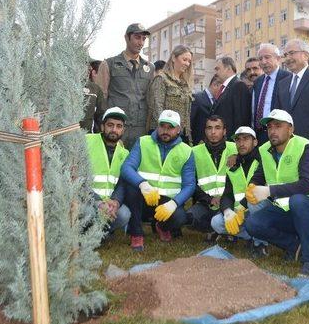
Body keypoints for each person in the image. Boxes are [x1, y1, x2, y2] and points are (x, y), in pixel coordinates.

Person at [244, 109, 309, 277]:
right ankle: (294, 245)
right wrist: (252, 186)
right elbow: (260, 174)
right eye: (269, 127)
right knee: (253, 224)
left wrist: (269, 191)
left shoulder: (305, 147)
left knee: (298, 201)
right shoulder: (265, 149)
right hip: (284, 207)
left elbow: (306, 186)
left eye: (278, 126)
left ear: (291, 129)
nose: (272, 131)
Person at [121, 110, 195, 251]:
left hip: (167, 201)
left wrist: (174, 203)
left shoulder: (186, 151)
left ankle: (161, 226)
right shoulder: (143, 142)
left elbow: (190, 185)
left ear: (178, 130)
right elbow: (127, 167)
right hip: (144, 197)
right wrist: (143, 184)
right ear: (157, 126)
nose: (165, 131)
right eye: (162, 126)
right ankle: (136, 233)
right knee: (130, 186)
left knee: (180, 217)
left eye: (170, 127)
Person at [94, 23, 154, 148]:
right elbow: (100, 98)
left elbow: (150, 100)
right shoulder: (109, 64)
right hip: (115, 128)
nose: (141, 43)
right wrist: (103, 127)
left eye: (144, 39)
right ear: (127, 38)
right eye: (137, 37)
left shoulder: (149, 67)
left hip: (140, 128)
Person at [211, 126, 269, 257]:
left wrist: (242, 207)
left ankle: (260, 244)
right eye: (238, 140)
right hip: (242, 213)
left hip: (262, 209)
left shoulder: (263, 160)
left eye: (246, 139)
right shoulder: (233, 166)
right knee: (216, 223)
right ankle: (251, 236)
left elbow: (256, 190)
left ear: (255, 142)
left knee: (255, 203)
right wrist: (227, 212)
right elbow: (227, 195)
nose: (241, 143)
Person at [186, 115, 237, 236]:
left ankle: (222, 229)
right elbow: (191, 182)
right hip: (207, 202)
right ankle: (214, 230)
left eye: (217, 128)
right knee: (189, 218)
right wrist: (209, 199)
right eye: (209, 128)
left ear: (224, 131)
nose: (213, 132)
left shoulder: (235, 149)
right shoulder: (194, 152)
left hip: (231, 201)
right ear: (205, 131)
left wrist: (239, 157)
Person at [85, 107, 131, 236]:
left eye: (118, 126)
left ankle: (99, 235)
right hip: (87, 200)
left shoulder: (125, 153)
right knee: (87, 212)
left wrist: (116, 202)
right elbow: (78, 178)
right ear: (102, 126)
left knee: (124, 214)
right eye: (110, 125)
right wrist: (98, 202)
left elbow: (122, 183)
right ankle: (87, 235)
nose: (114, 130)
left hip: (110, 203)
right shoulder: (87, 141)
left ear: (123, 130)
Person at [147, 45, 193, 142]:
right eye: (184, 59)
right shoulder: (161, 79)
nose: (187, 64)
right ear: (173, 58)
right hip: (163, 134)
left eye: (189, 61)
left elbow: (186, 114)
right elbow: (157, 108)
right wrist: (167, 130)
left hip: (181, 135)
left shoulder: (185, 84)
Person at [251, 44, 291, 143]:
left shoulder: (288, 78)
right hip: (259, 134)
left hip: (279, 134)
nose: (263, 62)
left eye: (267, 57)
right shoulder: (258, 82)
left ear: (278, 58)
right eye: (260, 59)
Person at [211, 56, 251, 137]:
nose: (215, 72)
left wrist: (236, 141)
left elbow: (240, 119)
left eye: (217, 69)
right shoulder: (226, 87)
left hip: (232, 142)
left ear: (228, 68)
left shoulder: (239, 86)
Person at [190, 74, 222, 145]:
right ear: (215, 85)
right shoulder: (197, 99)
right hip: (198, 143)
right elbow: (190, 122)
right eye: (222, 88)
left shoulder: (218, 101)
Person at [82, 60, 106, 133]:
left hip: (88, 135)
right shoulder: (94, 89)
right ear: (94, 73)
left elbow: (100, 115)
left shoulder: (98, 90)